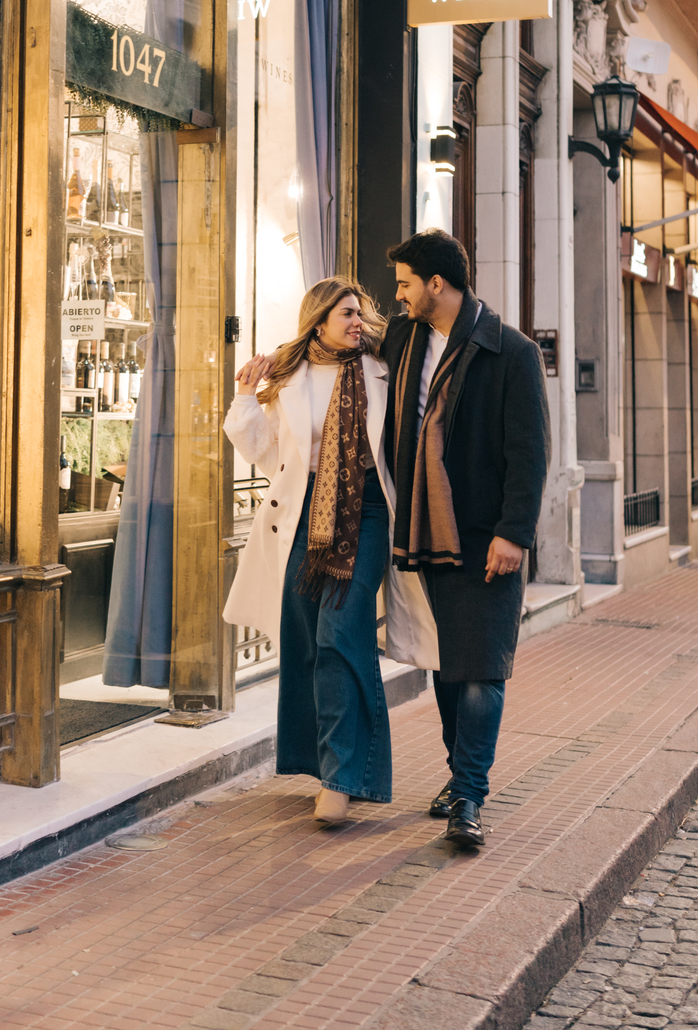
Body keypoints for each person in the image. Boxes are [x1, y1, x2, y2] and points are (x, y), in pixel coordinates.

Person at [223, 277, 438, 827]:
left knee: (339, 632)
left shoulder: (385, 369)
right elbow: (268, 456)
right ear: (318, 322)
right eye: (345, 313)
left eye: (360, 312)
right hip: (302, 515)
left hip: (366, 512)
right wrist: (245, 396)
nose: (356, 321)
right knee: (305, 641)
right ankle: (330, 766)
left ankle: (342, 779)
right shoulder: (291, 376)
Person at [383, 229, 550, 852]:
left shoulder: (511, 352)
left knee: (482, 669)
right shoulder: (406, 339)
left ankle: (469, 797)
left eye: (405, 284)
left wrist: (514, 533)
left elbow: (530, 452)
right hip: (429, 535)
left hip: (486, 537)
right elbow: (343, 339)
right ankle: (461, 778)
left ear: (436, 284)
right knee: (452, 668)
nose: (397, 296)